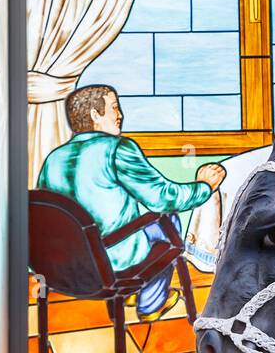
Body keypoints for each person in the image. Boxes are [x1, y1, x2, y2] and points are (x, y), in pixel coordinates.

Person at [38, 84, 225, 322]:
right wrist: (204, 187)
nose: (120, 115)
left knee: (143, 227)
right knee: (169, 222)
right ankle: (150, 304)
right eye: (114, 108)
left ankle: (133, 292)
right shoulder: (117, 148)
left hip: (66, 264)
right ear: (95, 115)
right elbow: (163, 198)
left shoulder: (53, 158)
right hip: (111, 262)